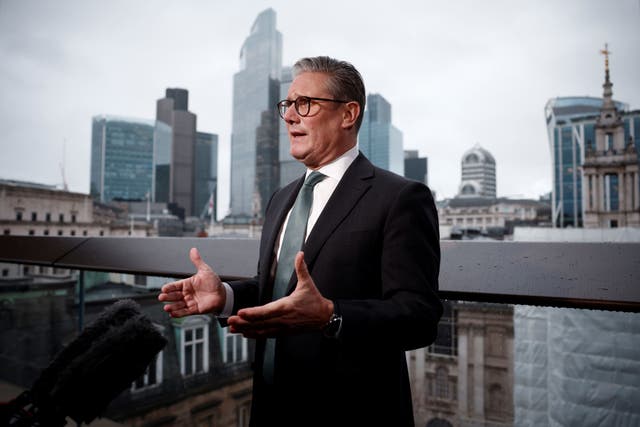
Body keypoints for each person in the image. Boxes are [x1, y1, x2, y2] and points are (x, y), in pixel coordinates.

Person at [158, 56, 442, 426]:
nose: (290, 116)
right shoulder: (281, 198)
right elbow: (276, 290)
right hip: (271, 406)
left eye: (305, 104)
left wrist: (330, 315)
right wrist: (225, 297)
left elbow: (419, 317)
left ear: (348, 114)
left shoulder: (400, 197)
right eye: (287, 105)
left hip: (352, 411)